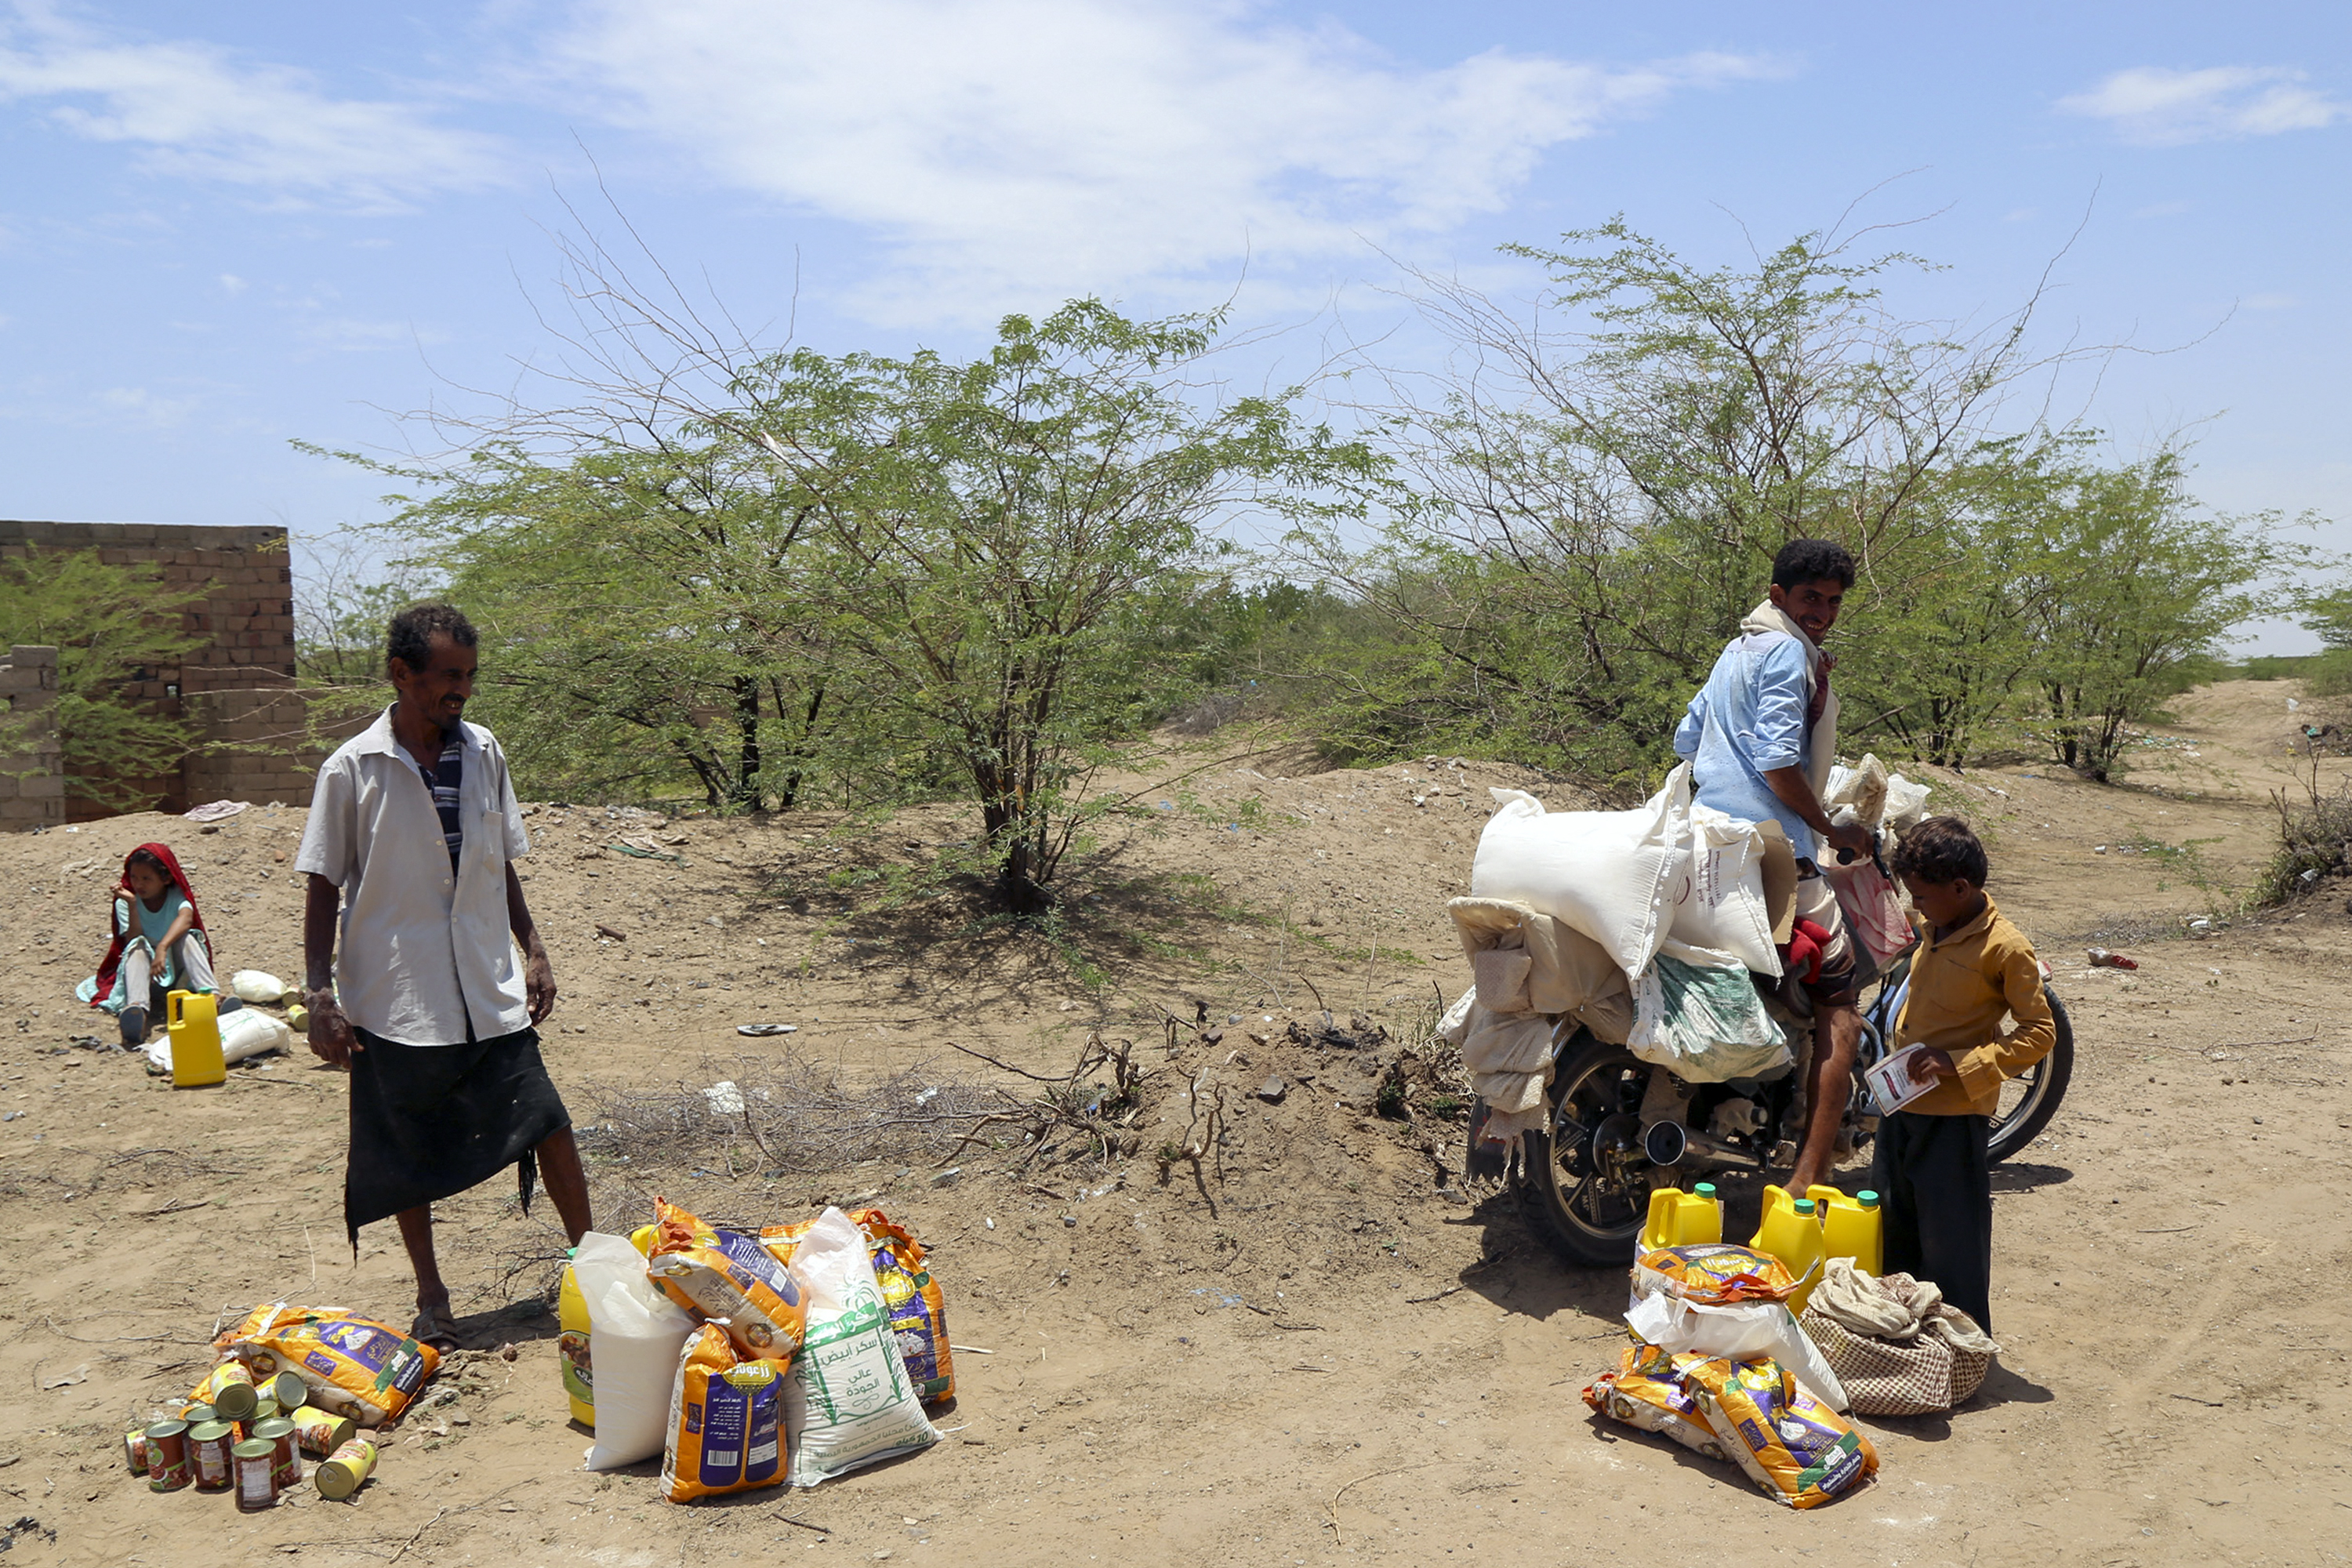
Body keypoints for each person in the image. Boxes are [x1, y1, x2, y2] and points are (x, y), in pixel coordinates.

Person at [295, 603, 592, 1351]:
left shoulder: (484, 751)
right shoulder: (352, 769)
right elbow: (323, 885)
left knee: (548, 1121)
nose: (460, 691)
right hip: (397, 994)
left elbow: (501, 862)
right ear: (401, 674)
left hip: (487, 987)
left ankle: (592, 1267)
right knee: (406, 1154)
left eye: (468, 677)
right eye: (446, 677)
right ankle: (432, 1296)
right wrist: (318, 995)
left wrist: (536, 947)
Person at [1673, 539, 1875, 1192]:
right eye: (1810, 598)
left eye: (1834, 602)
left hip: (1708, 837)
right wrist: (1831, 827)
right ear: (1778, 595)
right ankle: (1807, 1174)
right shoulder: (1789, 652)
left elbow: (1686, 738)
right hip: (1773, 848)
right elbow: (1777, 760)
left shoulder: (1737, 651)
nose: (1822, 612)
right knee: (1840, 1003)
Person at [1876, 816, 2055, 1333]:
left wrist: (1961, 1065)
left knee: (1951, 1242)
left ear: (1961, 888)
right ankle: (1904, 1341)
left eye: (1923, 896)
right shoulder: (1934, 927)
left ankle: (1964, 1349)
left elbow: (2040, 1034)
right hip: (1903, 1105)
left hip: (1954, 1116)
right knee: (1895, 1229)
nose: (1916, 906)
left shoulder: (2005, 947)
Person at [78, 843, 245, 1045]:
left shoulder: (175, 895)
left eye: (146, 879)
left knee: (187, 937)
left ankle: (212, 998)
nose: (139, 884)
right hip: (146, 979)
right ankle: (137, 1010)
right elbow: (131, 938)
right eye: (134, 878)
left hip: (180, 978)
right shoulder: (126, 901)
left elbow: (186, 918)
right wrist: (132, 905)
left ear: (166, 878)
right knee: (137, 947)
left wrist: (163, 947)